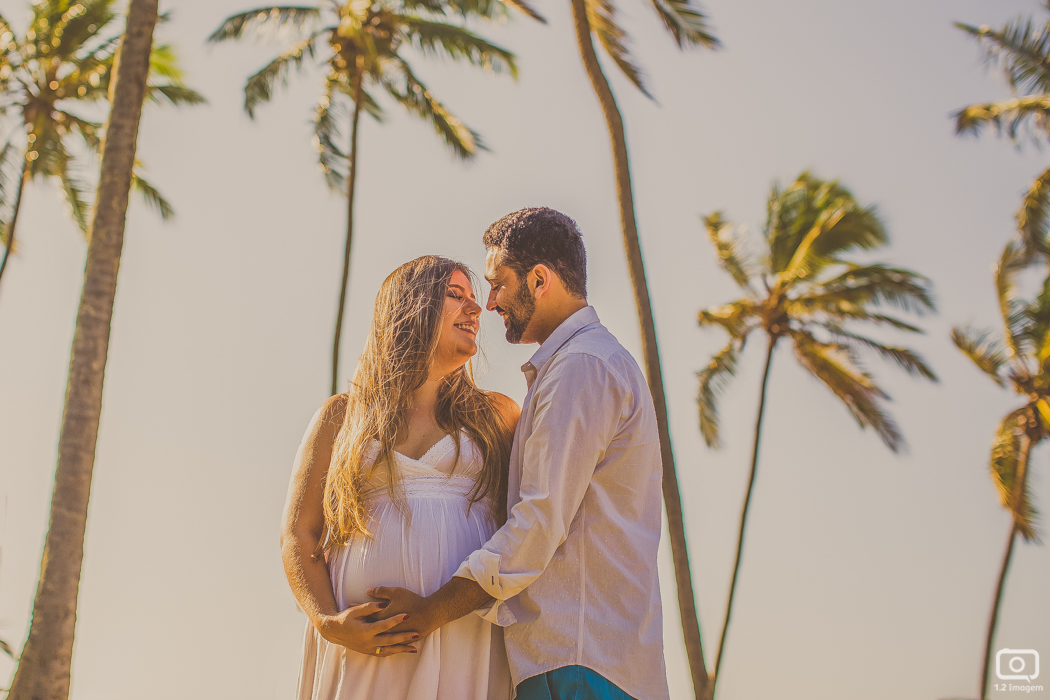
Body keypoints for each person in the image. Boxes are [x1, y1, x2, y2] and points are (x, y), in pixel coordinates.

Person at [370, 208, 670, 700]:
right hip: (581, 658)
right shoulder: (581, 365)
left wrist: (431, 611)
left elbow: (537, 525)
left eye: (498, 285)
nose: (489, 305)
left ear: (539, 279)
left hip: (576, 659)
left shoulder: (581, 370)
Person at [281, 256, 520, 700]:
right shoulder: (342, 417)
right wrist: (328, 623)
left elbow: (526, 530)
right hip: (363, 650)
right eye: (455, 295)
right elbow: (300, 532)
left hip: (466, 638)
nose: (476, 308)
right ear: (409, 308)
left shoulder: (497, 417)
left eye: (474, 297)